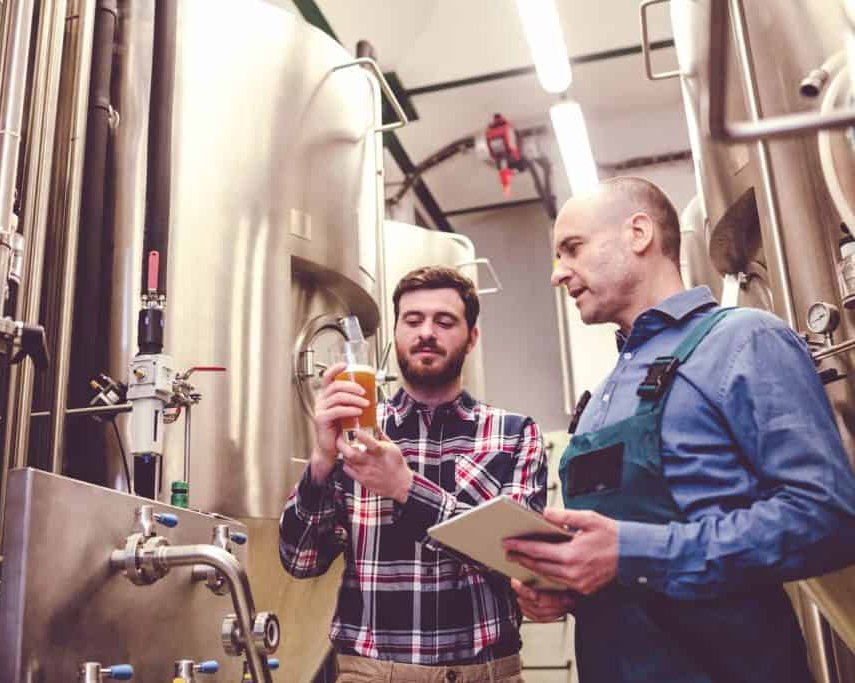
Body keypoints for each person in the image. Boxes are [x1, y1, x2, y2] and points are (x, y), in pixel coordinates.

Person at [505, 176, 855, 682]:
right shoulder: (600, 396)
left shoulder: (743, 340)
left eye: (572, 249)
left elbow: (827, 518)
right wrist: (570, 588)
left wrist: (633, 551)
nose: (559, 274)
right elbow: (616, 560)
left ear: (639, 233)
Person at [279, 266, 547, 683]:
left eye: (445, 321)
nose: (427, 332)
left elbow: (522, 562)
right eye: (413, 320)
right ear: (396, 334)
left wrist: (405, 487)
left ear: (472, 337)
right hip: (371, 673)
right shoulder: (355, 434)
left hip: (487, 673)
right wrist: (320, 462)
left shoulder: (514, 434)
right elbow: (300, 560)